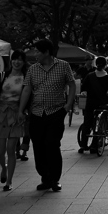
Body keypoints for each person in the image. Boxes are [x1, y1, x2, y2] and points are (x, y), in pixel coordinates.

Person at [19, 39, 76, 192]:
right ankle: (45, 177)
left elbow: (72, 84)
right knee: (38, 146)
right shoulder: (33, 69)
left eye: (37, 51)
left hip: (56, 112)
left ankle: (55, 178)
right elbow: (26, 90)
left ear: (46, 52)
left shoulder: (63, 66)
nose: (35, 54)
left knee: (52, 145)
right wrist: (21, 110)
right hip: (36, 113)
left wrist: (68, 104)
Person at [0, 50, 28, 191]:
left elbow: (28, 95)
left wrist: (23, 112)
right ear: (11, 61)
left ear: (24, 62)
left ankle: (9, 181)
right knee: (0, 152)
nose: (17, 62)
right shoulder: (3, 75)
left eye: (20, 60)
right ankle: (4, 168)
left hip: (16, 114)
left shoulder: (26, 77)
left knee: (11, 149)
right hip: (1, 114)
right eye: (15, 59)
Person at [78, 56, 108, 153]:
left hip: (90, 103)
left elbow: (83, 88)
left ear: (96, 64)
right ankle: (94, 145)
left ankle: (83, 145)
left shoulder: (89, 76)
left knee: (87, 123)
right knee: (102, 122)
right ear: (106, 65)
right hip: (102, 103)